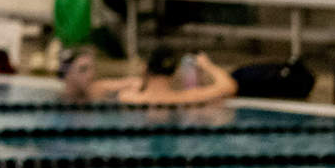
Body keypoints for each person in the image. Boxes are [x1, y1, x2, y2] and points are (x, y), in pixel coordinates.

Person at [60, 44, 236, 105]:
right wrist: (208, 65)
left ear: (145, 68)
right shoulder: (186, 99)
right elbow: (229, 86)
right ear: (174, 72)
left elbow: (93, 88)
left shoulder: (127, 96)